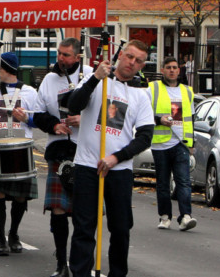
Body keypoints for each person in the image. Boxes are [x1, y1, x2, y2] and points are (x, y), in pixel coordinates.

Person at [66, 39, 155, 277]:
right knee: (84, 227)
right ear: (121, 55)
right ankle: (80, 273)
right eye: (129, 57)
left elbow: (145, 137)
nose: (132, 63)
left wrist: (117, 157)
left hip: (119, 170)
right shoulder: (97, 80)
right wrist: (95, 78)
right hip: (87, 165)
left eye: (138, 61)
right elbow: (73, 106)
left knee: (121, 228)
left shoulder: (140, 95)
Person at [35, 38, 93, 277]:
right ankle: (61, 263)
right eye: (60, 54)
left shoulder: (91, 76)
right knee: (58, 210)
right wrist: (53, 126)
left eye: (67, 55)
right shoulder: (49, 80)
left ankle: (81, 263)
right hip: (59, 151)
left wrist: (85, 120)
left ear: (78, 57)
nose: (61, 58)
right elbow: (38, 114)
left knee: (82, 214)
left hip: (86, 153)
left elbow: (109, 114)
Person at [0, 52, 41, 257]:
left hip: (21, 148)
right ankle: (1, 239)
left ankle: (14, 233)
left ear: (2, 68)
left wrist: (26, 119)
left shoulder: (30, 93)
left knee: (20, 195)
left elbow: (40, 120)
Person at [149, 57, 197, 231]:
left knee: (183, 181)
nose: (171, 70)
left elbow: (190, 119)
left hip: (181, 143)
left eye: (175, 67)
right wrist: (159, 120)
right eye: (168, 67)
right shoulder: (153, 88)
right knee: (162, 183)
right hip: (160, 144)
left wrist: (192, 143)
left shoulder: (188, 91)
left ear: (179, 70)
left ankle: (186, 216)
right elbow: (144, 112)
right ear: (162, 70)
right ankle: (165, 217)